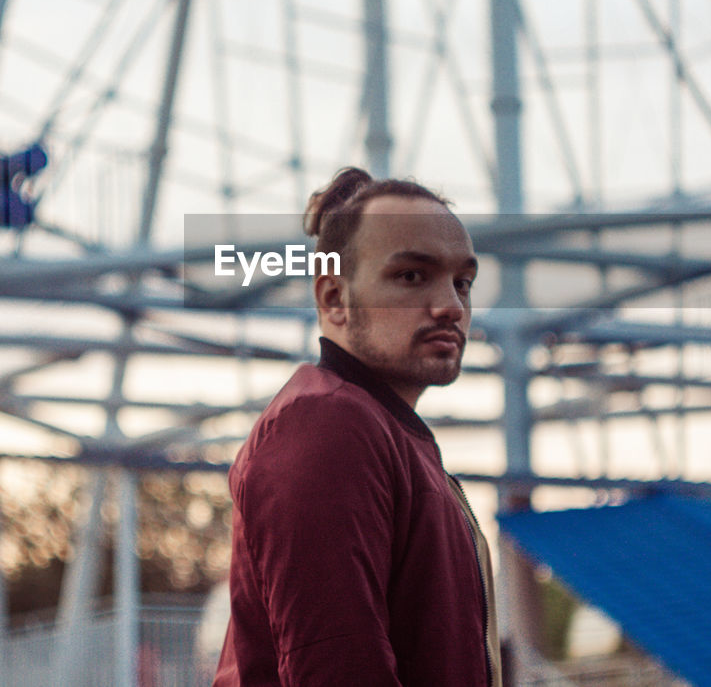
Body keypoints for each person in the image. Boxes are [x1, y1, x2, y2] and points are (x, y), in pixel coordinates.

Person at [213, 167, 501, 686]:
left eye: (462, 282)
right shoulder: (326, 425)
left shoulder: (381, 431)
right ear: (333, 298)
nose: (451, 307)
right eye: (412, 276)